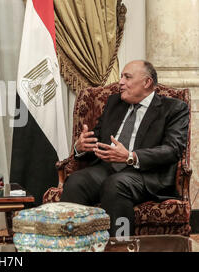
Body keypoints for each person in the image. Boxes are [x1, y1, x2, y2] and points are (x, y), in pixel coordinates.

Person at [60, 60, 189, 237]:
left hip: (146, 175)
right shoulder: (114, 103)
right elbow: (97, 139)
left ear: (147, 82)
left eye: (127, 77)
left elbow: (173, 150)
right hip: (108, 169)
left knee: (116, 185)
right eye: (121, 77)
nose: (120, 82)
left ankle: (120, 245)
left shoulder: (173, 108)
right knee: (76, 182)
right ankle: (73, 245)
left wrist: (130, 156)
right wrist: (81, 146)